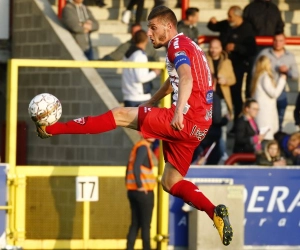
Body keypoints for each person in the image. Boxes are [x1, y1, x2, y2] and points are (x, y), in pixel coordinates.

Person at [32, 6, 233, 246]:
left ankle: (51, 129)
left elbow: (186, 77)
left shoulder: (176, 47)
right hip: (200, 126)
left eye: (153, 27)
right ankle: (215, 212)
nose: (149, 33)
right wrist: (152, 101)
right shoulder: (191, 45)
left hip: (184, 119)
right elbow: (175, 80)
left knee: (118, 115)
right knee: (170, 181)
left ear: (168, 26)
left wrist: (178, 110)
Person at [207, 6, 257, 132]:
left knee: (236, 95)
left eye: (230, 16)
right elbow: (213, 27)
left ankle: (236, 124)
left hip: (237, 66)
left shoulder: (247, 28)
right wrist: (211, 22)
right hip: (221, 63)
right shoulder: (227, 24)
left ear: (238, 16)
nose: (228, 18)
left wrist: (236, 47)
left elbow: (251, 50)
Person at [256, 33, 299, 131]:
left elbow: (295, 75)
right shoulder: (264, 54)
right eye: (276, 40)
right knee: (264, 118)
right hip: (265, 89)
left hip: (280, 89)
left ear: (285, 42)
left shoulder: (290, 56)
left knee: (280, 115)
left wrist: (287, 71)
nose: (278, 43)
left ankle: (277, 135)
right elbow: (255, 70)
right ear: (273, 41)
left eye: (280, 40)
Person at [205, 38, 236, 160]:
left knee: (221, 129)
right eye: (211, 47)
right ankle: (209, 154)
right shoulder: (204, 59)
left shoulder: (227, 62)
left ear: (221, 49)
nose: (213, 50)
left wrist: (225, 81)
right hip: (207, 99)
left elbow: (233, 79)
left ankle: (222, 153)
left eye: (216, 48)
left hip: (221, 99)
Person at [125, 136, 156, 250]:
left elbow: (129, 167)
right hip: (144, 193)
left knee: (135, 224)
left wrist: (131, 187)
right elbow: (136, 166)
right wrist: (140, 186)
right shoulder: (143, 147)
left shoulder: (137, 146)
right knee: (145, 225)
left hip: (132, 191)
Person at [251, 55, 287, 144]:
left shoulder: (257, 77)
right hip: (265, 115)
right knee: (267, 140)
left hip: (262, 114)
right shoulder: (265, 77)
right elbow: (274, 93)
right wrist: (282, 80)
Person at [122, 30, 160, 107]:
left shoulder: (127, 54)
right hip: (139, 98)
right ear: (146, 40)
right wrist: (155, 73)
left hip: (129, 96)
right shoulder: (140, 55)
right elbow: (141, 78)